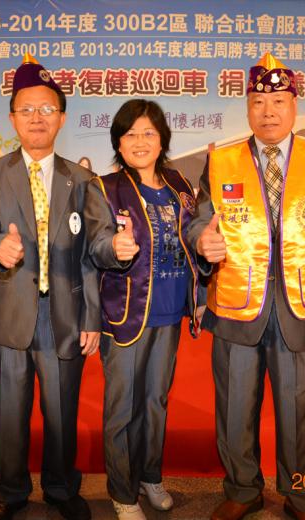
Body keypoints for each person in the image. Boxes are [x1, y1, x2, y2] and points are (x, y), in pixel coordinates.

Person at [185, 53, 305, 520]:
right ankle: (242, 490)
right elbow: (198, 220)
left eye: (278, 101)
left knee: (298, 409)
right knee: (235, 406)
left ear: (294, 105)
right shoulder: (221, 160)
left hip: (301, 305)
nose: (268, 111)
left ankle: (300, 496)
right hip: (237, 304)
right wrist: (201, 240)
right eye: (258, 101)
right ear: (247, 107)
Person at [0, 53, 100, 520]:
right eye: (27, 109)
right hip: (10, 313)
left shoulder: (82, 179)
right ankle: (9, 492)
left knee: (62, 411)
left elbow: (92, 253)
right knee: (8, 412)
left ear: (61, 118)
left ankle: (61, 489)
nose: (37, 117)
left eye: (46, 109)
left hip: (64, 315)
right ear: (12, 119)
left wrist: (92, 317)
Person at [84, 99, 204, 520]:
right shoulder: (104, 188)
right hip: (126, 315)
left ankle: (150, 475)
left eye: (148, 133)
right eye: (130, 134)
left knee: (156, 401)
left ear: (162, 139)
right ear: (118, 142)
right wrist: (114, 248)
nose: (140, 141)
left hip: (169, 313)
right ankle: (122, 491)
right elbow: (96, 245)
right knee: (122, 408)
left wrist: (201, 289)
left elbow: (195, 238)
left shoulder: (179, 184)